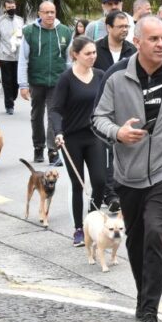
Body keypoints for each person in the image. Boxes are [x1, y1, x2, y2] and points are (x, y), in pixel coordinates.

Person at [92, 15, 162, 322]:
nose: (161, 44)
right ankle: (143, 298)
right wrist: (118, 133)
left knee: (155, 234)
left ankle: (150, 314)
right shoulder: (116, 75)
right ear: (136, 42)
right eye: (153, 39)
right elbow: (98, 118)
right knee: (136, 241)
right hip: (129, 176)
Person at [52, 36, 106, 247]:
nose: (93, 56)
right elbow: (56, 109)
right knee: (78, 184)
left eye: (94, 52)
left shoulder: (101, 75)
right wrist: (58, 132)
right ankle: (78, 229)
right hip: (70, 138)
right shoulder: (66, 79)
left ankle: (91, 222)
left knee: (100, 181)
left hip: (94, 136)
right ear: (75, 55)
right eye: (88, 53)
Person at [18, 1, 73, 164]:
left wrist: (70, 81)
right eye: (46, 12)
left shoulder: (65, 32)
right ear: (39, 14)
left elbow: (69, 60)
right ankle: (38, 147)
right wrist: (23, 84)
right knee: (36, 115)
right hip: (36, 81)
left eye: (52, 12)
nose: (50, 15)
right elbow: (23, 60)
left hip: (57, 81)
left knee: (53, 115)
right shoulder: (29, 32)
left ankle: (53, 151)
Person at [93, 10, 136, 209]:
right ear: (109, 27)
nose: (124, 30)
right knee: (105, 153)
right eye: (120, 26)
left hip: (126, 107)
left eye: (127, 26)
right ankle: (108, 194)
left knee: (122, 152)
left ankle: (119, 191)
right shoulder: (95, 49)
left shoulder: (132, 50)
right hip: (101, 108)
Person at [0, 0, 23, 115]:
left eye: (13, 7)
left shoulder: (20, 20)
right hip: (4, 55)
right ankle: (9, 105)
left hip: (18, 56)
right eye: (9, 8)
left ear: (15, 6)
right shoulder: (0, 22)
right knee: (7, 81)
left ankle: (12, 97)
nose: (11, 9)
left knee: (16, 82)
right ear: (5, 8)